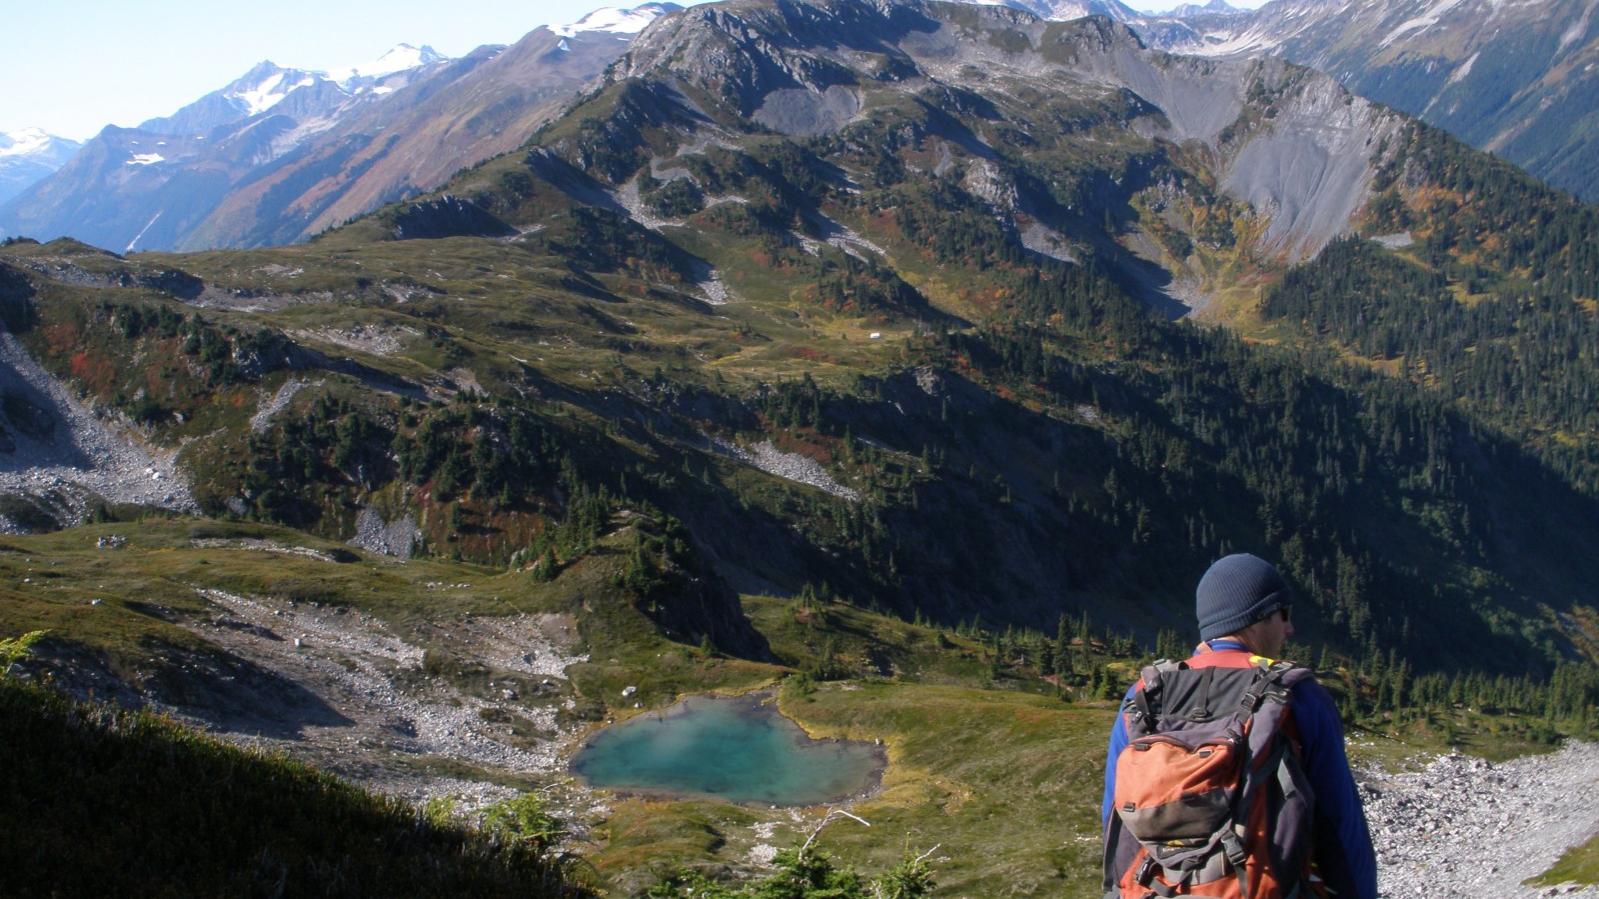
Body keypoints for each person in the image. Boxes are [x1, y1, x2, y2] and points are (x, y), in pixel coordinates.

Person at [1100, 553, 1377, 899]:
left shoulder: (1142, 698)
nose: (1289, 628)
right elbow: (1341, 829)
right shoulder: (1297, 697)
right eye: (1284, 613)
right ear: (1256, 618)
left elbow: (1115, 818)